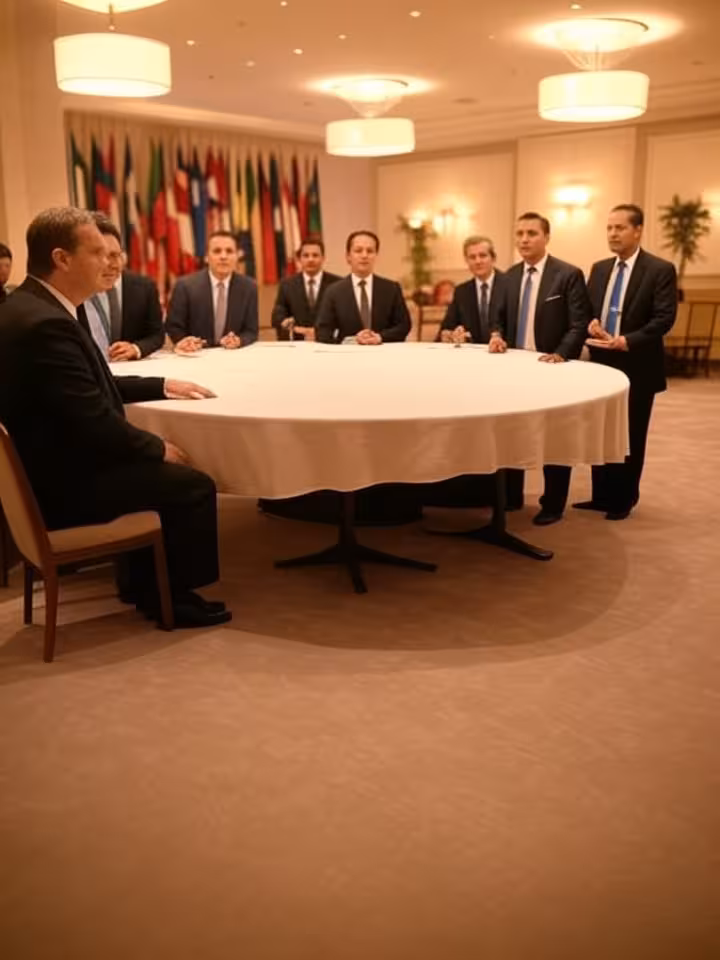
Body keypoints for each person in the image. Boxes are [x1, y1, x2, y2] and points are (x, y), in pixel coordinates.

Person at [0, 207, 231, 627]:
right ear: (62, 259)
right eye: (97, 252)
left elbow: (87, 386)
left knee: (153, 470)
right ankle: (171, 599)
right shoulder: (45, 324)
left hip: (44, 466)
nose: (110, 262)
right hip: (60, 485)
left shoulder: (32, 306)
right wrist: (156, 447)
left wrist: (161, 384)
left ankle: (142, 586)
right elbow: (89, 418)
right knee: (192, 485)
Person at [574, 203, 677, 520]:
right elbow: (588, 307)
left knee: (630, 433)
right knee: (600, 431)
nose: (613, 234)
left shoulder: (659, 269)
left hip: (638, 365)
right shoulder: (600, 267)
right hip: (601, 363)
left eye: (619, 228)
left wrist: (627, 340)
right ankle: (601, 496)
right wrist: (591, 323)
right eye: (609, 228)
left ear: (637, 231)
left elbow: (664, 319)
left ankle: (623, 499)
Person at [493, 212, 592, 525]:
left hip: (553, 368)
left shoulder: (568, 274)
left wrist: (561, 355)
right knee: (509, 432)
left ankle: (553, 504)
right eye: (519, 233)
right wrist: (496, 336)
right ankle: (510, 498)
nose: (524, 239)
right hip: (513, 370)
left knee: (555, 438)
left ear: (546, 237)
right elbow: (499, 318)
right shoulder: (507, 276)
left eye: (531, 233)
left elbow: (578, 324)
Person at [81, 214, 164, 360]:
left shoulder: (145, 287)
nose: (110, 264)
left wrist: (136, 348)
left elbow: (157, 335)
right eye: (102, 256)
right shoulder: (76, 293)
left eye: (115, 255)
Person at [165, 230, 258, 352]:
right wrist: (185, 341)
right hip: (194, 357)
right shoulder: (185, 286)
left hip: (232, 357)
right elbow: (173, 326)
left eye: (229, 251)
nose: (223, 256)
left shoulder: (249, 287)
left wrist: (239, 340)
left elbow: (251, 331)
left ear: (237, 256)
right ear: (207, 257)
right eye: (217, 251)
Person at [316, 230, 411, 344]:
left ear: (376, 255)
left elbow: (404, 325)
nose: (364, 255)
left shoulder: (391, 289)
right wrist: (352, 340)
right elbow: (322, 331)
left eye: (370, 251)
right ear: (348, 256)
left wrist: (380, 337)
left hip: (384, 354)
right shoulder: (333, 291)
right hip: (347, 356)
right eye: (358, 250)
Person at [439, 236, 507, 344]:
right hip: (473, 354)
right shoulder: (461, 292)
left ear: (493, 258)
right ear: (466, 261)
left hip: (507, 353)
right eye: (472, 257)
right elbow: (446, 328)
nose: (478, 261)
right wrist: (451, 334)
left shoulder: (510, 285)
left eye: (483, 256)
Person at [271, 238, 341, 341]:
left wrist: (319, 332)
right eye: (306, 255)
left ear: (323, 258)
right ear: (299, 259)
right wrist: (288, 324)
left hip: (328, 343)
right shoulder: (287, 285)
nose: (310, 259)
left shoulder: (338, 284)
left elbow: (343, 317)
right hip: (298, 343)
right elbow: (277, 316)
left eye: (315, 255)